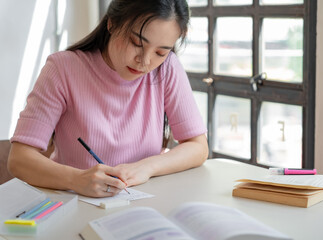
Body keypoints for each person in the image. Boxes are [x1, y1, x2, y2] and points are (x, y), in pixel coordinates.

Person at [8, 0, 208, 198]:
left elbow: (198, 146)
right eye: (136, 43)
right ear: (112, 23)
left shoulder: (167, 69)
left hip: (142, 203)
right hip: (74, 203)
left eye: (160, 52)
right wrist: (76, 179)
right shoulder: (63, 69)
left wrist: (146, 167)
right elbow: (19, 159)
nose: (145, 61)